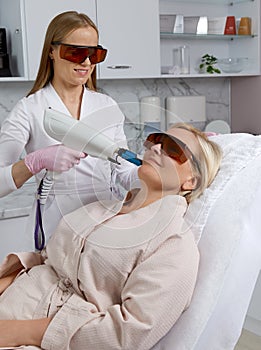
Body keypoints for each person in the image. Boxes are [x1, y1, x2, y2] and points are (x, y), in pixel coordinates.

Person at [0, 123, 222, 350]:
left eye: (174, 149)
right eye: (156, 140)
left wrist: (18, 332)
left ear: (191, 182)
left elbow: (128, 333)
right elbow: (47, 260)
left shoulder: (174, 246)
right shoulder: (99, 208)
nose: (156, 149)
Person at [0, 11, 138, 239]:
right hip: (56, 225)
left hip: (104, 220)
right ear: (52, 52)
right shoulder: (29, 109)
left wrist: (150, 172)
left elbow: (123, 170)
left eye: (94, 54)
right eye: (76, 52)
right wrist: (35, 162)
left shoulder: (107, 105)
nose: (85, 62)